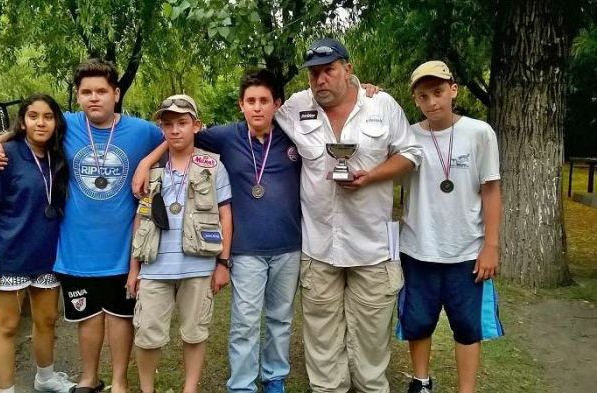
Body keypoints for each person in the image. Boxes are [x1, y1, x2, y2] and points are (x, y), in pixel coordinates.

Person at [0, 59, 165, 393]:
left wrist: (148, 161)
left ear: (116, 93)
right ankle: (88, 377)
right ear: (78, 96)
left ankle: (121, 382)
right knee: (88, 318)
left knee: (121, 317)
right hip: (76, 248)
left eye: (101, 91)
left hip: (123, 247)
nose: (93, 98)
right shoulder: (66, 124)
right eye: (86, 92)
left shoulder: (142, 131)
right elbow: (32, 124)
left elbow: (175, 136)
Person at [132, 71, 302, 393]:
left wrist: (361, 90)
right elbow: (178, 137)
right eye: (250, 101)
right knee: (245, 322)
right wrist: (146, 162)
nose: (257, 108)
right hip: (247, 248)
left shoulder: (295, 136)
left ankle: (275, 377)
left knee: (281, 319)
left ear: (277, 104)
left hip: (289, 245)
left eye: (264, 100)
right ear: (240, 105)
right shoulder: (225, 137)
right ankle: (242, 385)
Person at [274, 37, 423, 393]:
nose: (320, 80)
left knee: (372, 334)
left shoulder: (381, 105)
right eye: (314, 74)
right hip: (319, 245)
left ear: (348, 70)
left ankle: (371, 387)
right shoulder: (296, 106)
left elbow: (411, 153)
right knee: (322, 334)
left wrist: (371, 176)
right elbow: (258, 119)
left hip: (371, 245)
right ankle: (328, 389)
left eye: (329, 71)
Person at [397, 60, 504, 393]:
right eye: (423, 96)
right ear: (415, 100)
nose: (432, 102)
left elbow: (490, 189)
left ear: (453, 90)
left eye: (439, 92)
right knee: (418, 321)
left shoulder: (479, 132)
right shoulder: (408, 136)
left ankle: (466, 389)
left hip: (467, 251)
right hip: (417, 248)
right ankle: (421, 381)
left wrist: (491, 245)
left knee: (467, 326)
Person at [127, 94, 232, 393]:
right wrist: (134, 268)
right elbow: (141, 218)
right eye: (168, 124)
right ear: (161, 128)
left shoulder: (213, 166)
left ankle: (190, 388)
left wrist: (223, 263)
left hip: (198, 266)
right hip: (155, 267)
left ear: (196, 125)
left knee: (195, 333)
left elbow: (225, 215)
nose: (175, 130)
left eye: (182, 123)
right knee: (146, 334)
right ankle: (147, 389)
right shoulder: (150, 169)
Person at [0, 94, 75, 393]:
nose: (40, 122)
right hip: (9, 255)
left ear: (56, 122)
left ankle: (45, 378)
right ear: (22, 120)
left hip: (48, 255)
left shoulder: (59, 154)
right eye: (33, 116)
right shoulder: (4, 154)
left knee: (47, 320)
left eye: (47, 116)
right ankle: (6, 390)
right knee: (6, 327)